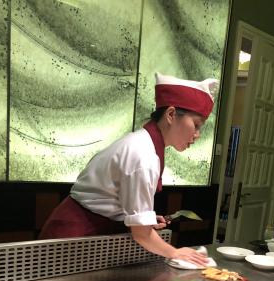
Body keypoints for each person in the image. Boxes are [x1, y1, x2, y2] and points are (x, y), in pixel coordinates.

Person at [39, 73, 218, 266]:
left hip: (87, 233)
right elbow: (142, 235)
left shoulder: (143, 144)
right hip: (72, 236)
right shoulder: (143, 155)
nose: (197, 135)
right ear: (171, 115)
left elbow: (113, 199)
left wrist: (144, 218)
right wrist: (175, 252)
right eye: (196, 125)